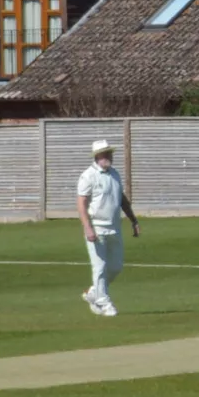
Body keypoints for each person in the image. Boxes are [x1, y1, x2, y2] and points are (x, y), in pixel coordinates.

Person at [76, 136, 132, 319]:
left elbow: (121, 198)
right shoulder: (88, 176)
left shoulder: (114, 174)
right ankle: (104, 302)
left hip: (114, 227)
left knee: (115, 267)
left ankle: (94, 292)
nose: (107, 156)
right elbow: (81, 204)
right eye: (103, 153)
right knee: (99, 267)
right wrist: (87, 228)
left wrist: (134, 219)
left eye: (109, 153)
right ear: (96, 156)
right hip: (97, 228)